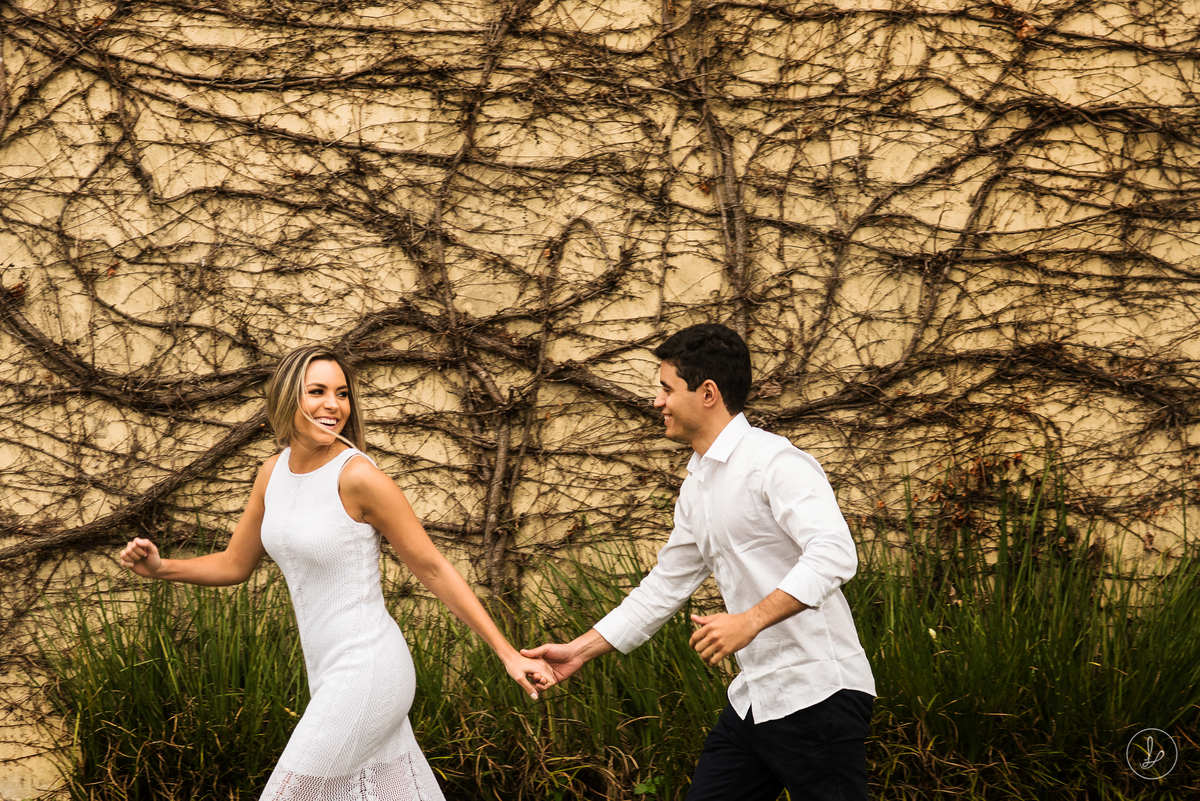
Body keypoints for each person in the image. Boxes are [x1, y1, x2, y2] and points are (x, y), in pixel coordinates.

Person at [120, 345, 554, 801]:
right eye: (318, 391)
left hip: (368, 667)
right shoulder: (272, 473)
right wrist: (161, 567)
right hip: (326, 672)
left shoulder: (358, 477)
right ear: (288, 398)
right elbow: (234, 564)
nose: (334, 405)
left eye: (342, 394)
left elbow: (433, 568)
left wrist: (507, 654)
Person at [522, 323, 876, 801]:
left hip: (818, 696)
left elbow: (834, 554)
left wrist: (749, 621)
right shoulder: (697, 485)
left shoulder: (775, 463)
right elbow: (663, 587)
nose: (657, 401)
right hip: (755, 701)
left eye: (667, 388)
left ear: (707, 393)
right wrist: (578, 652)